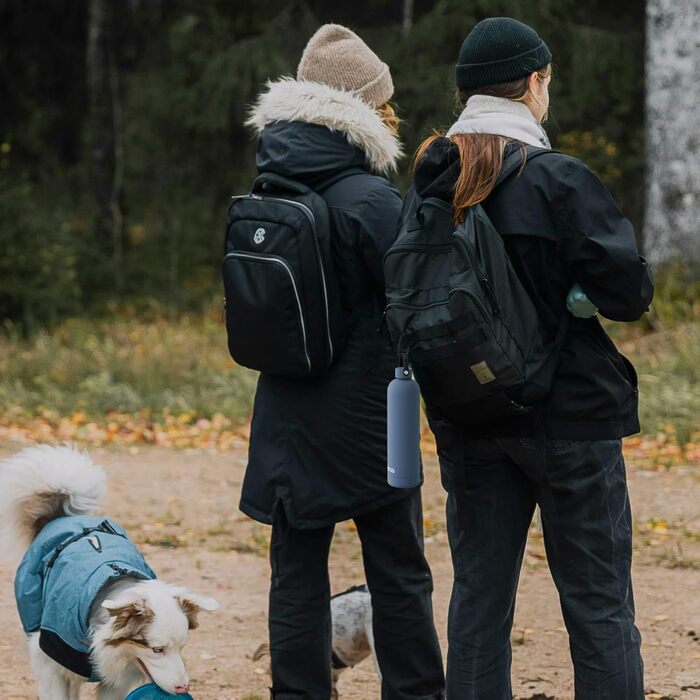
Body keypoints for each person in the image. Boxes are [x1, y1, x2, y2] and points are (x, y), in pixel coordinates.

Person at [405, 17, 654, 700]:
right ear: (535, 83)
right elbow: (629, 292)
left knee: (479, 604)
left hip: (468, 414)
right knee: (599, 607)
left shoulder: (432, 179)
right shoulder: (558, 179)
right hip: (572, 417)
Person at [239, 24, 445, 700]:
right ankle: (415, 691)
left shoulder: (268, 187)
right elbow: (416, 295)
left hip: (284, 410)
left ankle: (297, 694)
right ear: (367, 106)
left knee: (295, 572)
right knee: (399, 568)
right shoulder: (368, 199)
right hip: (368, 419)